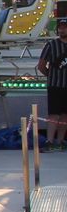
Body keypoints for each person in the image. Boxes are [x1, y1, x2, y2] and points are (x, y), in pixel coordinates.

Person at [37, 16, 67, 150]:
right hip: (55, 85)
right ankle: (49, 141)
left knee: (65, 115)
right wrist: (51, 76)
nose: (62, 30)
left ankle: (60, 141)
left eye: (64, 27)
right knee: (54, 114)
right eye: (60, 27)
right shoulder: (51, 45)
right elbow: (41, 65)